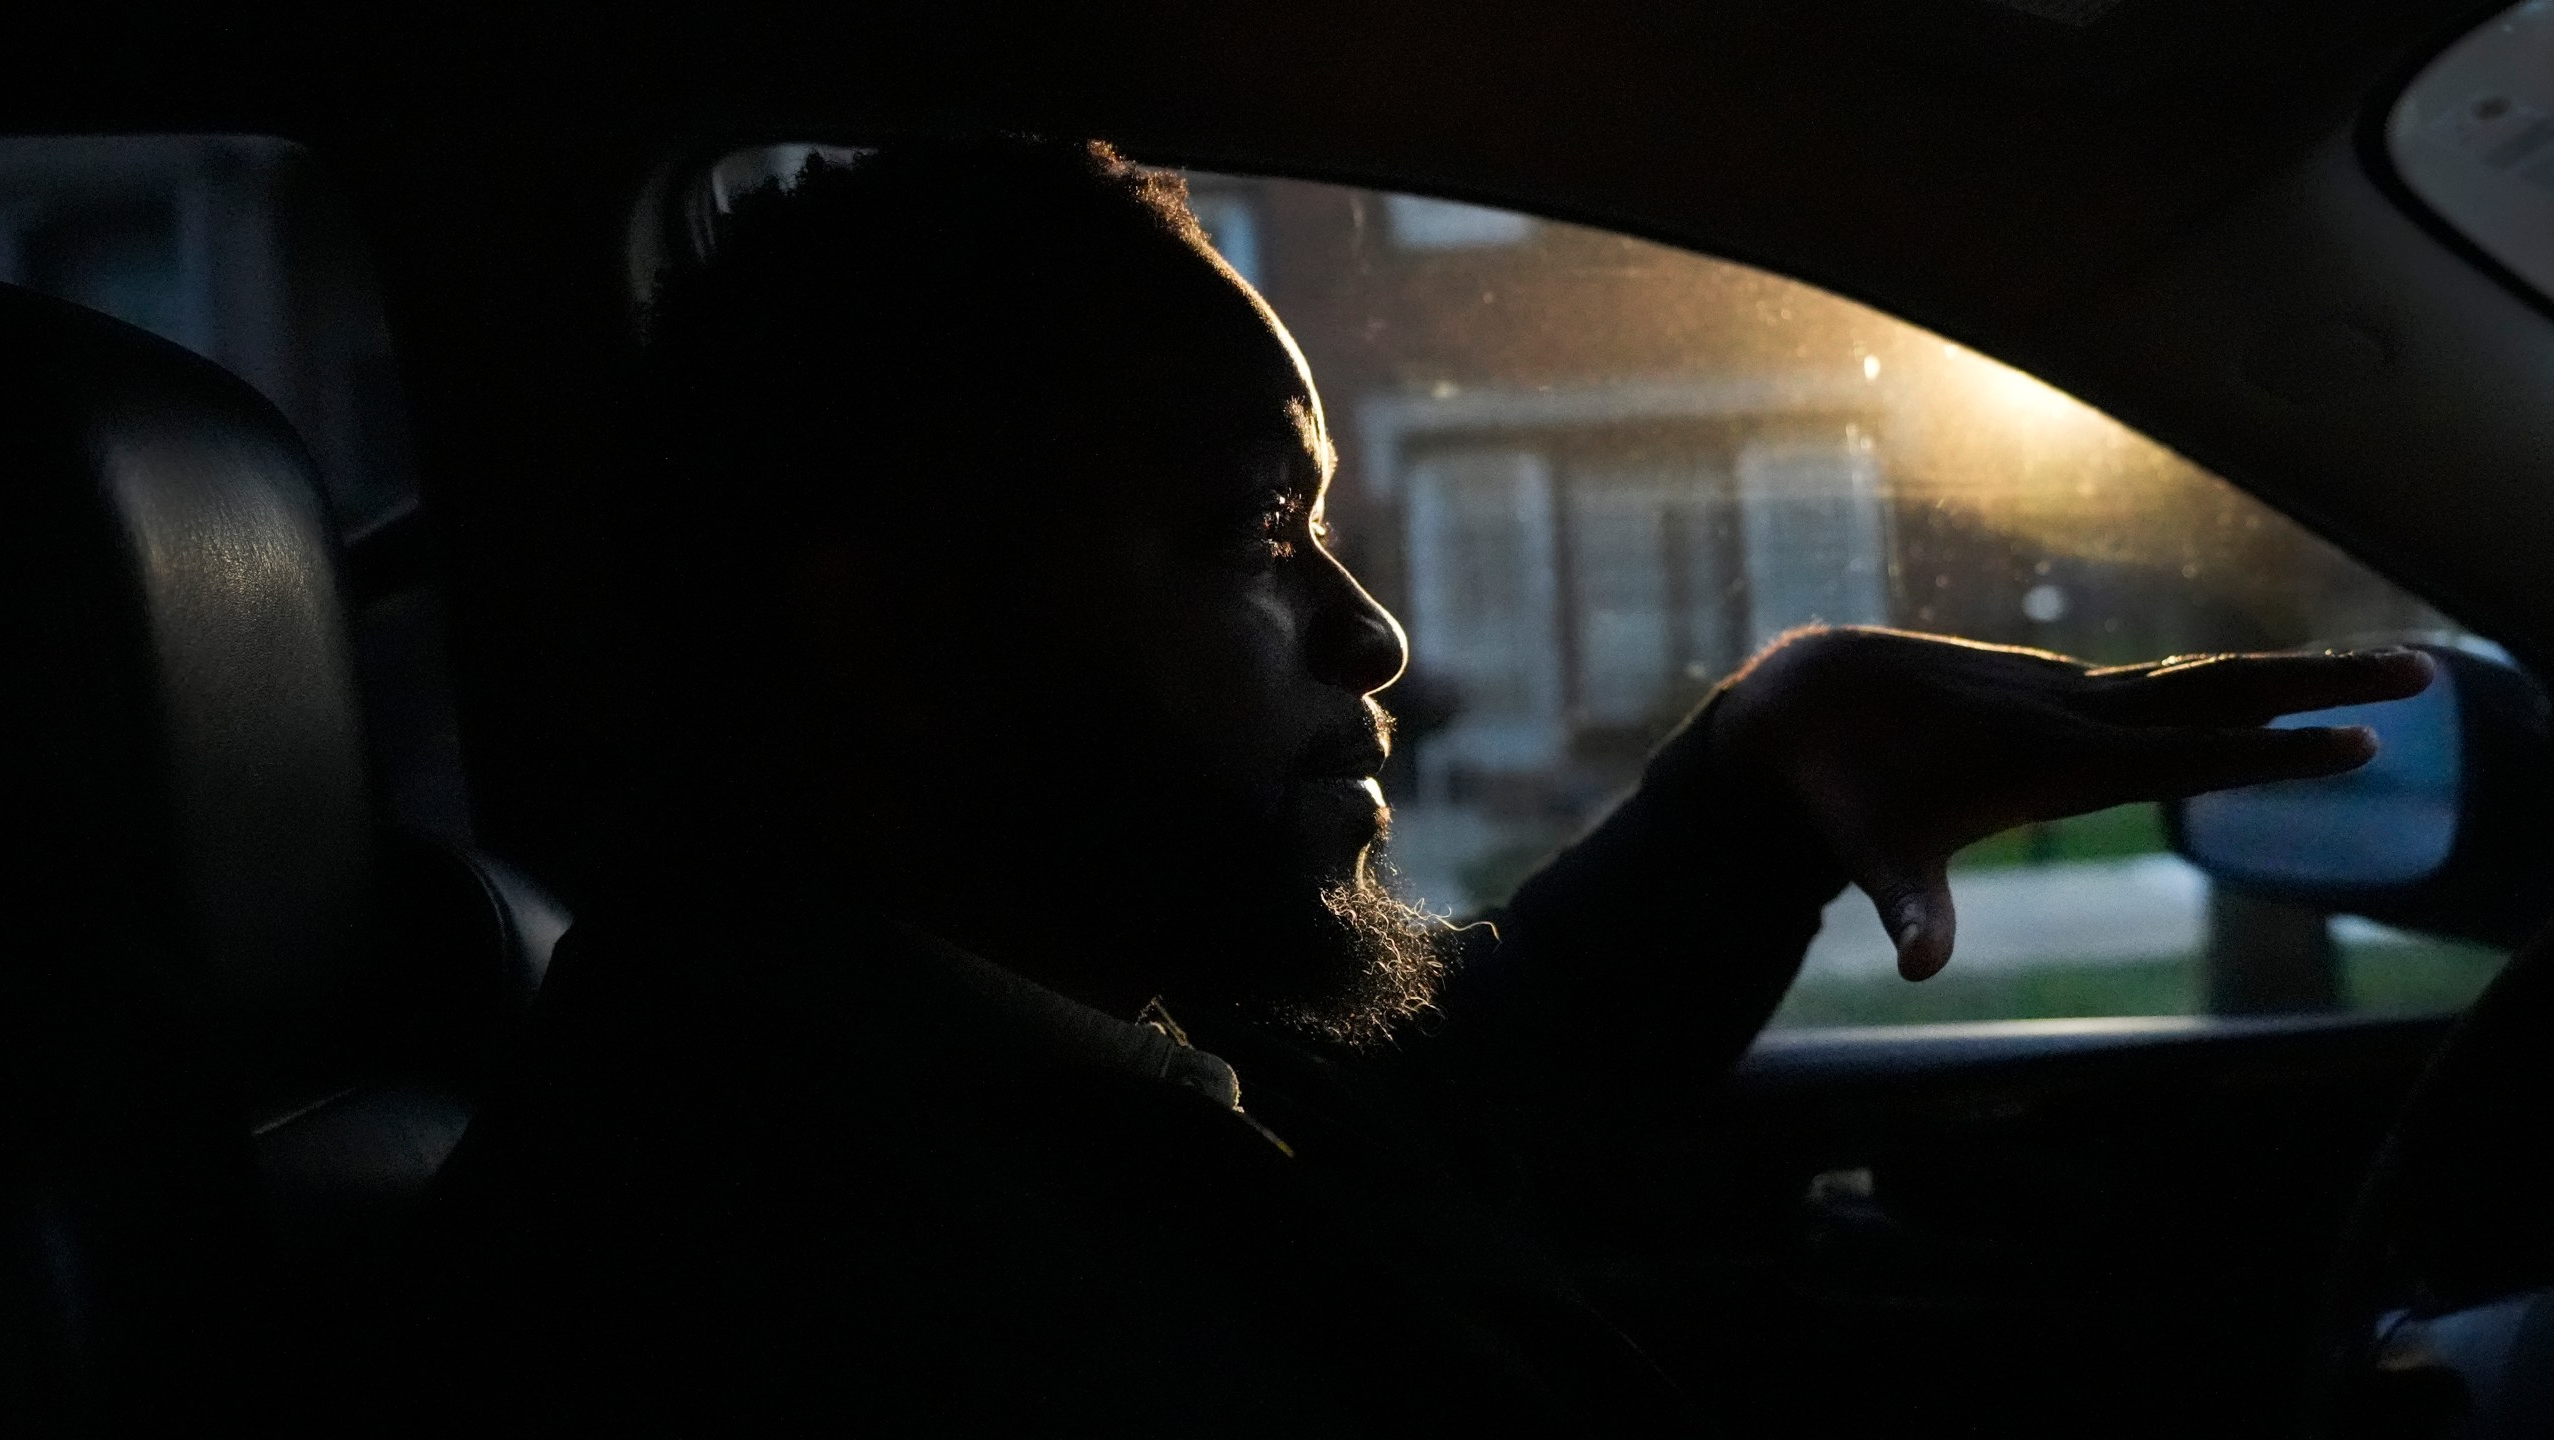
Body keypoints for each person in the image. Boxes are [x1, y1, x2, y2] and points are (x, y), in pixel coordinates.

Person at [397, 137, 2431, 1433]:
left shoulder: (1014, 1034)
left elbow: (1451, 1113)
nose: (1370, 640)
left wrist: (1758, 786)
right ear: (894, 618)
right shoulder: (791, 1300)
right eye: (1248, 535)